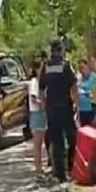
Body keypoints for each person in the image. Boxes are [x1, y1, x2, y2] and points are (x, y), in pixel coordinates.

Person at [39, 39, 78, 183]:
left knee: (56, 141)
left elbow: (41, 89)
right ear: (61, 50)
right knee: (72, 137)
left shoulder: (46, 67)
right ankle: (71, 167)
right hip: (65, 107)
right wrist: (76, 104)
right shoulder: (66, 66)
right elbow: (74, 87)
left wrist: (44, 105)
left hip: (52, 108)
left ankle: (60, 174)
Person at [27, 61, 47, 179]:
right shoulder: (34, 82)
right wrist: (44, 104)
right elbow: (34, 99)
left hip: (43, 114)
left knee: (43, 144)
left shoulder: (42, 82)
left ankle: (41, 167)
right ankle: (38, 169)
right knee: (37, 144)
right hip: (37, 113)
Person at [76, 59, 96, 126]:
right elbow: (76, 89)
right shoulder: (80, 78)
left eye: (83, 67)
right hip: (81, 109)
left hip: (91, 109)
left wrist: (84, 92)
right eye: (80, 68)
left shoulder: (93, 77)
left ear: (87, 66)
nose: (81, 70)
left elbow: (94, 91)